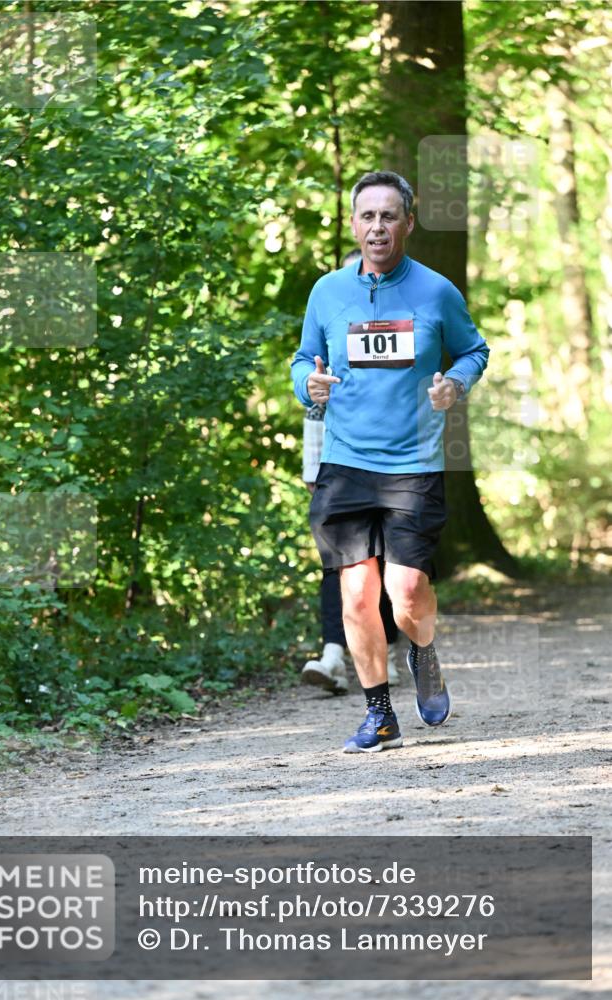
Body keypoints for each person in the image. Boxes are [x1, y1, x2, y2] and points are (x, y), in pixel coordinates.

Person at [291, 170, 489, 753]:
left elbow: (474, 350)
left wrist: (454, 383)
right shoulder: (327, 292)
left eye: (388, 216)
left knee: (405, 596)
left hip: (413, 463)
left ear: (408, 221)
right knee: (356, 595)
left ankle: (422, 651)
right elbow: (304, 359)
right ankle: (379, 715)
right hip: (346, 462)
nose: (377, 226)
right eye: (367, 216)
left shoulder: (436, 292)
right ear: (353, 224)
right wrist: (311, 386)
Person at [301, 248, 402, 695]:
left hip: (392, 465)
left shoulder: (395, 324)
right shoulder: (328, 325)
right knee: (340, 566)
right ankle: (333, 654)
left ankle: (392, 649)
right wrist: (312, 470)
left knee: (385, 563)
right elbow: (312, 406)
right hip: (336, 469)